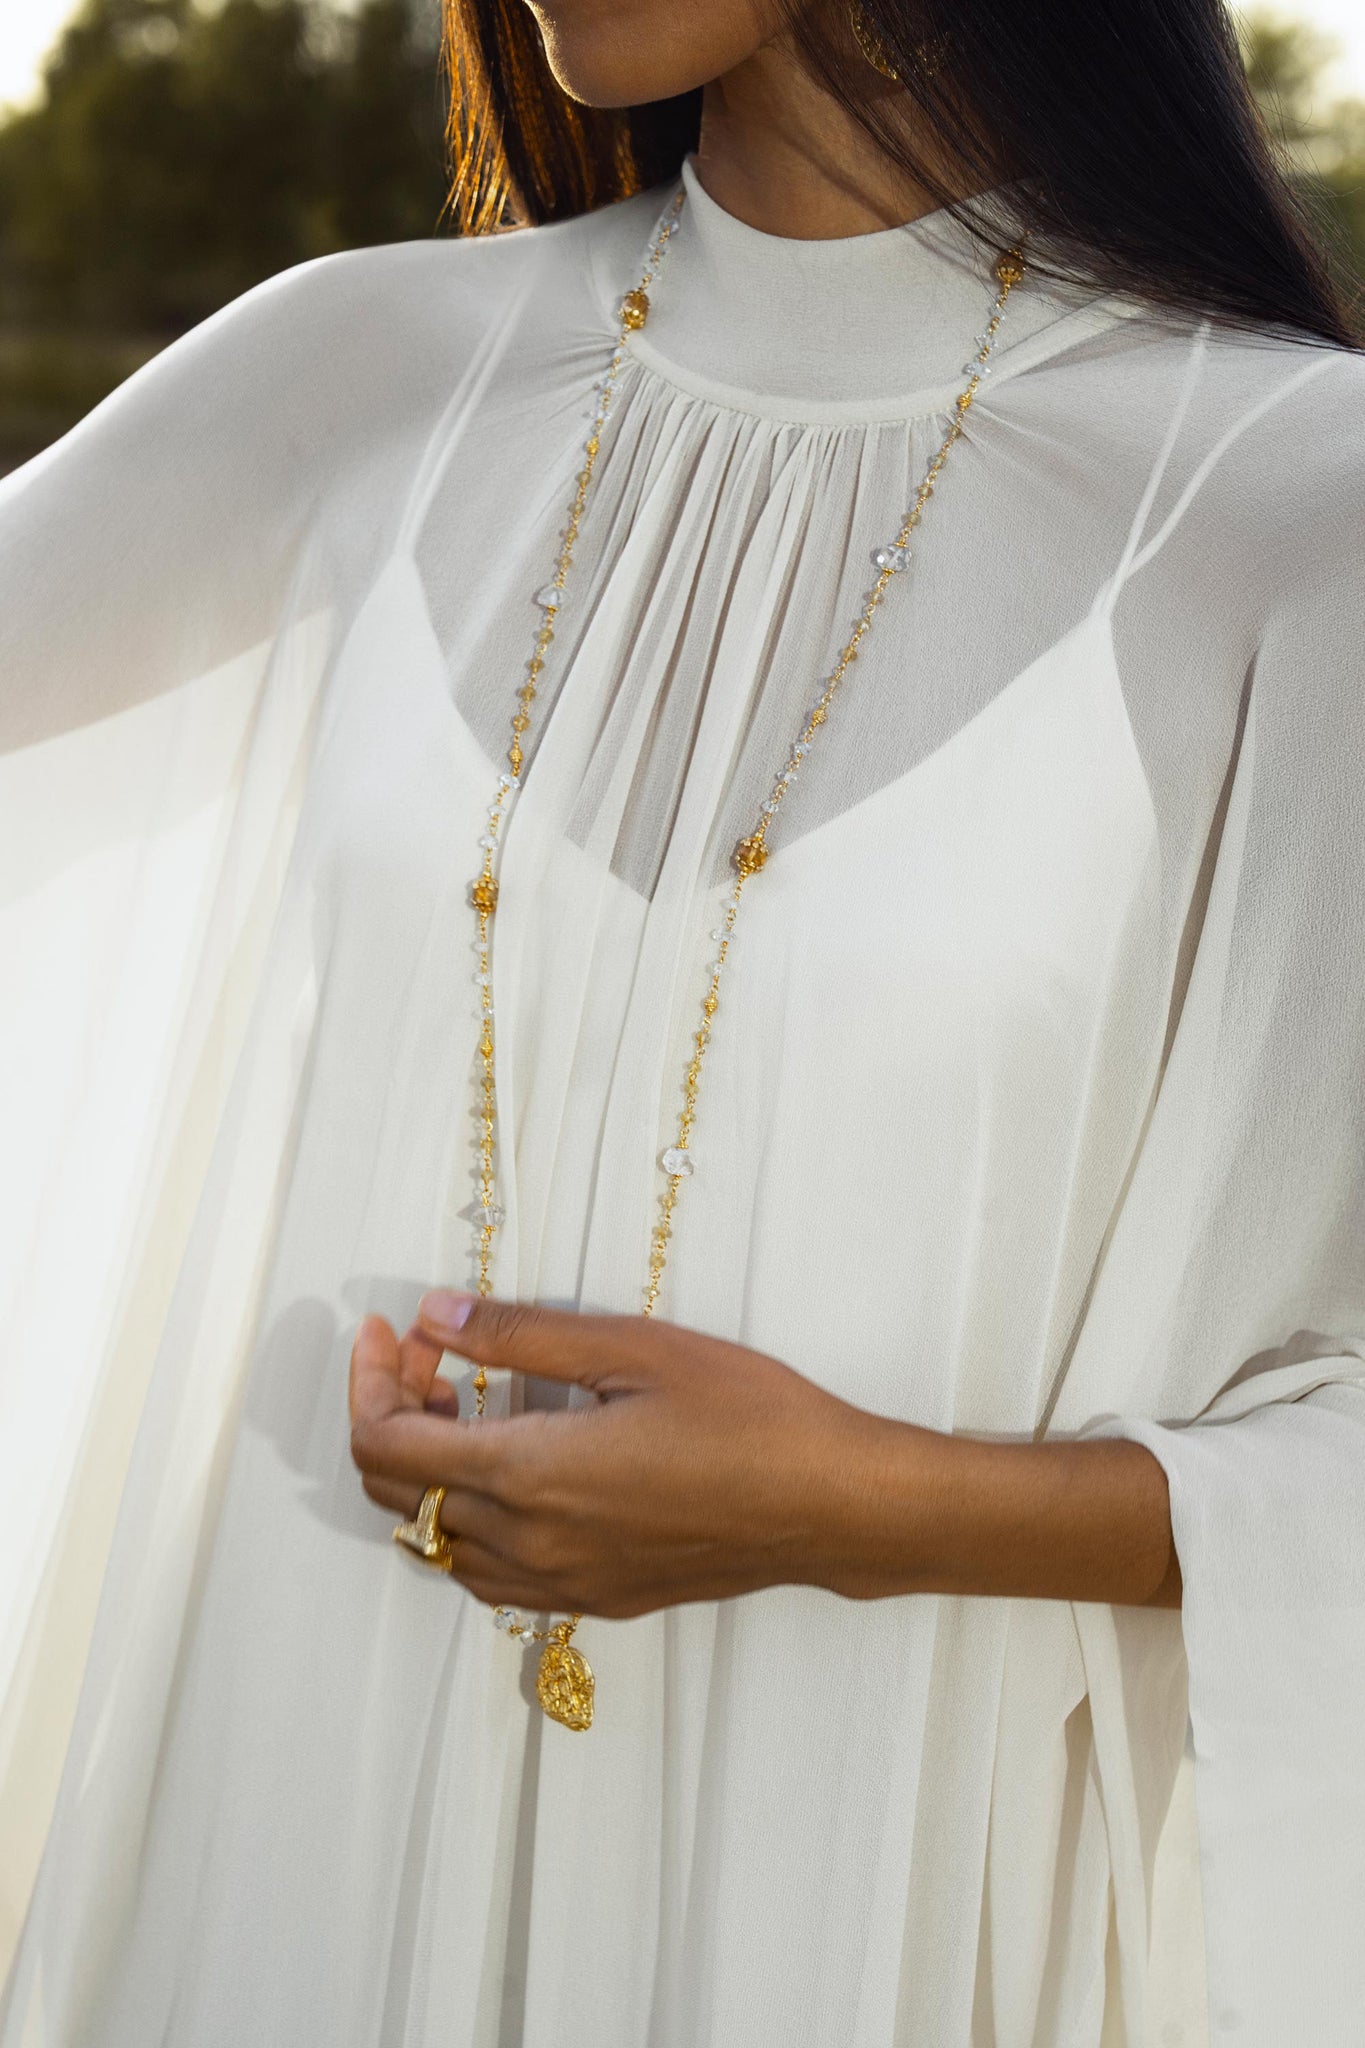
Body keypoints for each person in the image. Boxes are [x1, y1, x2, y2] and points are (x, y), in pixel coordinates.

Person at [0, 0, 1361, 2040]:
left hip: (856, 1887)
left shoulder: (1291, 508)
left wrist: (854, 1507)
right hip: (285, 1825)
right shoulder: (359, 370)